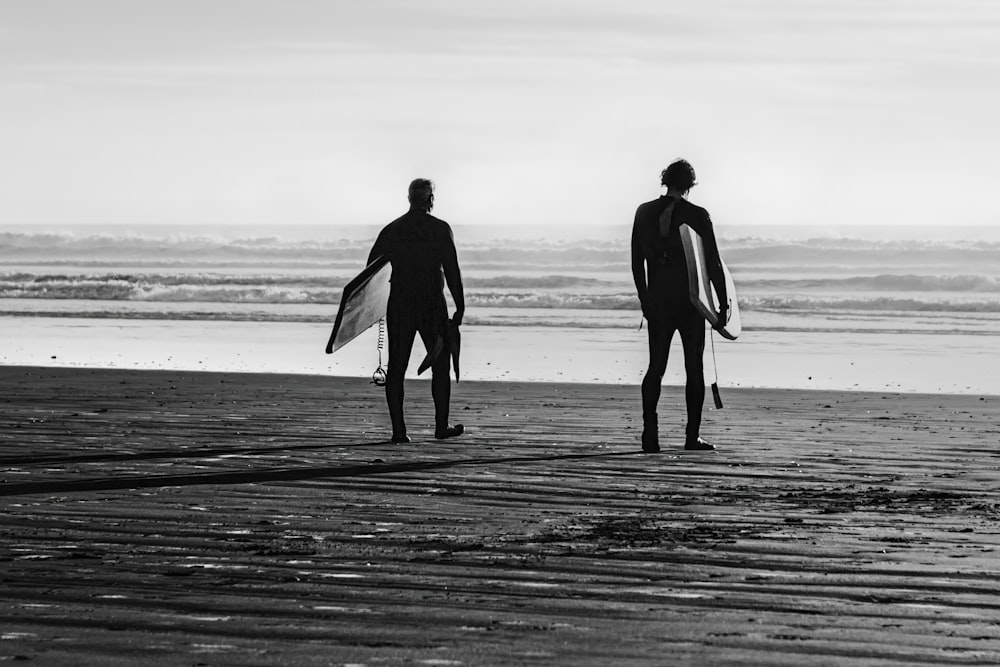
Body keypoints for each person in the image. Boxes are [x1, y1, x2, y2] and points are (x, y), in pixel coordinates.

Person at [631, 159, 727, 453]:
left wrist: (644, 298)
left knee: (655, 367)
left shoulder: (644, 212)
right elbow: (711, 262)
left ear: (665, 180)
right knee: (693, 369)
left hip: (658, 301)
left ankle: (650, 435)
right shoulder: (698, 215)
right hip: (689, 303)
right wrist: (723, 305)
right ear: (690, 185)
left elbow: (637, 261)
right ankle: (691, 437)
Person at [367, 178, 465, 443]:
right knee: (441, 366)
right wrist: (460, 305)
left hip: (400, 303)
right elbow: (452, 269)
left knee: (396, 367)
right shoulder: (440, 229)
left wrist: (372, 309)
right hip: (431, 304)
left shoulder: (393, 230)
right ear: (431, 199)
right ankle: (440, 426)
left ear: (409, 198)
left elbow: (371, 272)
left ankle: (399, 432)